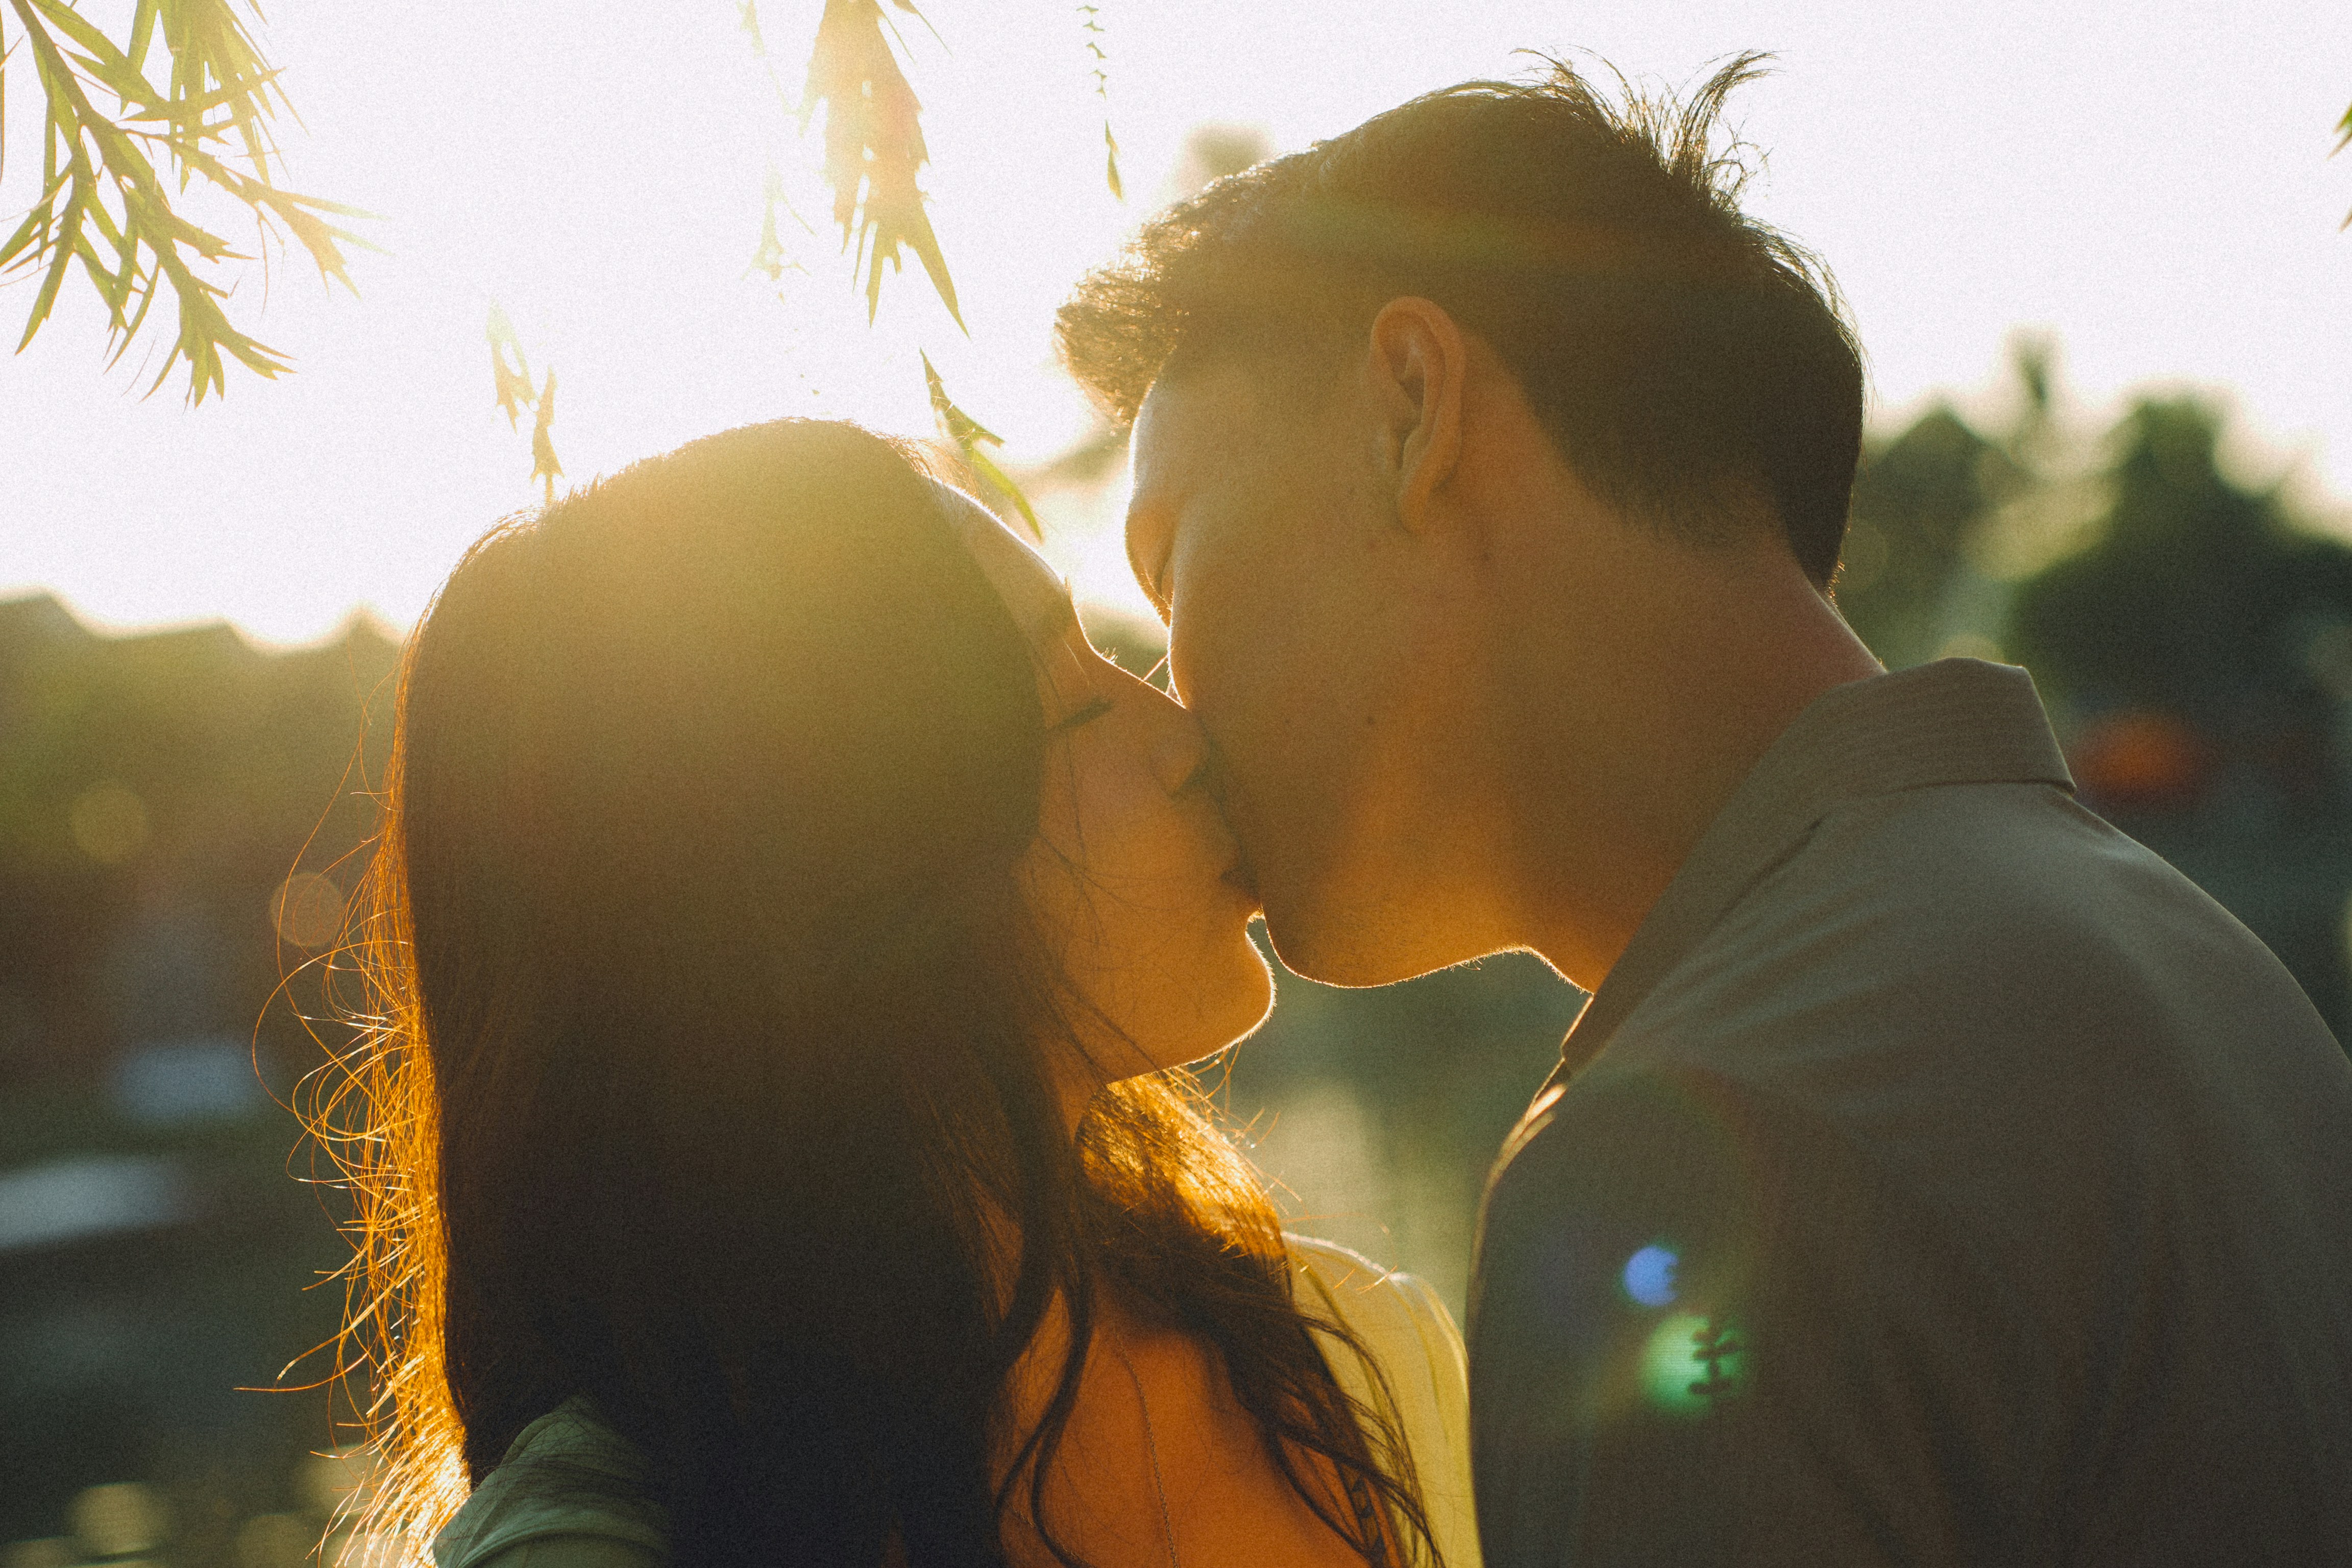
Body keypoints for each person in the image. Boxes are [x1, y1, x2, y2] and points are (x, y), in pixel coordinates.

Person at [1055, 54, 2352, 1566]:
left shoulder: (1714, 1144)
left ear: (1412, 406)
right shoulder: (2204, 980)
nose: (1173, 704)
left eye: (1170, 570)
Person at [322, 420, 1481, 1568]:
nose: (1183, 739)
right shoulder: (615, 1544)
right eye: (1071, 704)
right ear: (841, 876)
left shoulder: (1362, 1369)